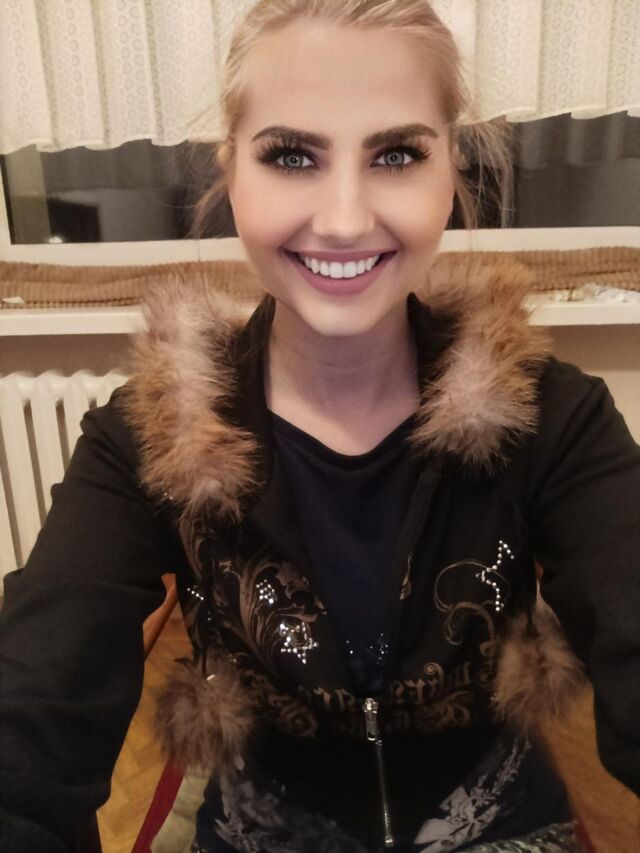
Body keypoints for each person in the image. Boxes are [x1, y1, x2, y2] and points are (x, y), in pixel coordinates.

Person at [1, 1, 639, 851]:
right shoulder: (140, 439)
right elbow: (32, 716)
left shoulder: (554, 415)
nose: (343, 219)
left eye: (397, 154)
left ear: (450, 168)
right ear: (232, 169)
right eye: (292, 156)